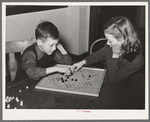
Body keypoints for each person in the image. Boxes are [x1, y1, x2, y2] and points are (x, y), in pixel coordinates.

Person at [71, 16, 144, 86]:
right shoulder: (111, 45)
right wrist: (82, 62)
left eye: (110, 41)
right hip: (107, 77)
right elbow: (98, 55)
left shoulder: (136, 60)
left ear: (122, 39)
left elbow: (114, 79)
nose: (108, 43)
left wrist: (115, 56)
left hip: (121, 86)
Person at [7, 21, 73, 87]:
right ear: (39, 42)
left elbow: (68, 63)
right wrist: (56, 68)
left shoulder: (51, 50)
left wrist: (61, 48)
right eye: (51, 45)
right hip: (22, 84)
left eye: (56, 44)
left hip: (38, 82)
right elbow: (33, 73)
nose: (54, 48)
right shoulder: (29, 54)